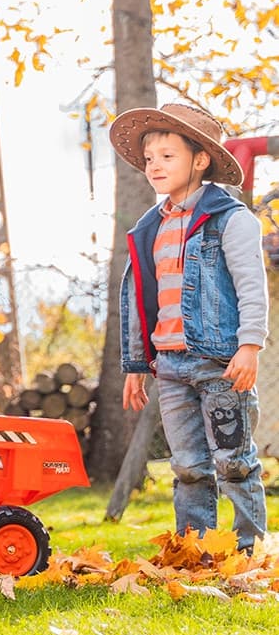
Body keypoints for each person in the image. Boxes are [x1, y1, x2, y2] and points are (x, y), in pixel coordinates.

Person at [110, 102, 268, 553]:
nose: (154, 166)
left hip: (220, 362)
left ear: (200, 160)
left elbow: (250, 285)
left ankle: (247, 553)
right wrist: (137, 364)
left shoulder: (230, 220)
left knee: (233, 461)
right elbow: (143, 302)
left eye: (167, 156)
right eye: (148, 159)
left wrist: (250, 345)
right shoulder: (149, 229)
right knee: (187, 466)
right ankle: (196, 550)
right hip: (172, 366)